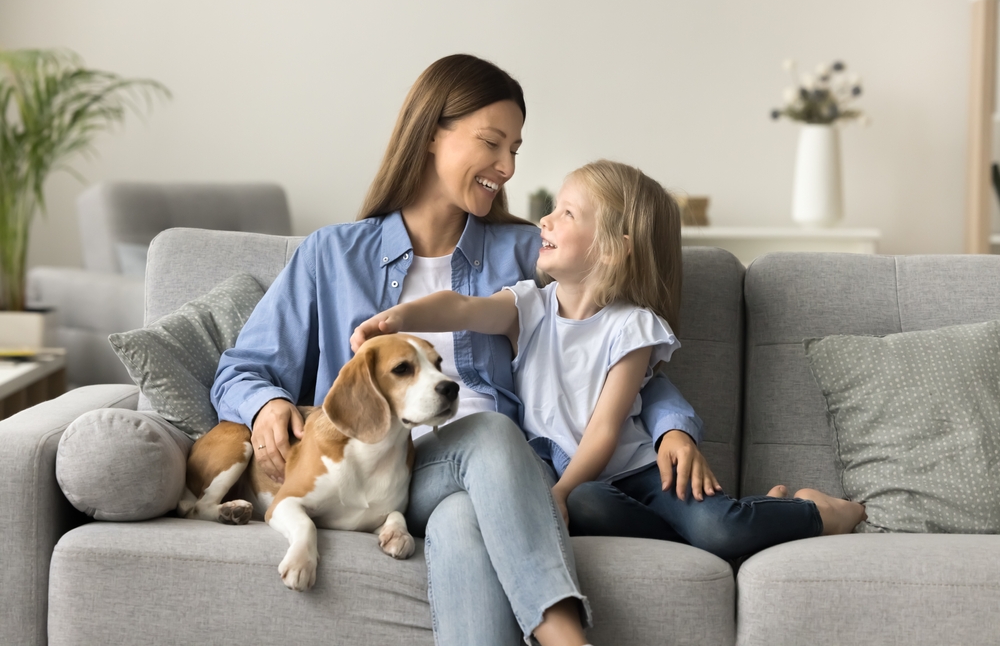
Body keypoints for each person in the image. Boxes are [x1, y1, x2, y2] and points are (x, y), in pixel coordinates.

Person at [212, 55, 717, 646]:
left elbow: (613, 348)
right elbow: (241, 369)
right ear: (431, 135)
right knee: (489, 439)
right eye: (492, 143)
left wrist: (671, 429)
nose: (506, 167)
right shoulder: (331, 256)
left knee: (464, 511)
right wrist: (266, 405)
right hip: (382, 473)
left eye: (516, 150)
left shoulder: (531, 250)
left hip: (494, 480)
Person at [352, 159, 868, 560]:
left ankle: (820, 513)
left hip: (644, 474)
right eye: (552, 208)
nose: (544, 220)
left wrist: (558, 491)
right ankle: (761, 517)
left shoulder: (632, 326)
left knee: (717, 527)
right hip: (591, 488)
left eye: (567, 213)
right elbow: (462, 307)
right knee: (588, 505)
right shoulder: (528, 306)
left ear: (614, 249)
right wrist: (399, 317)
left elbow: (603, 431)